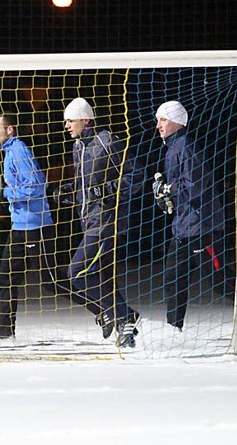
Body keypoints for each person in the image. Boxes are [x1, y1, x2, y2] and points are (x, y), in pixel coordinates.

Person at [60, 98, 141, 348]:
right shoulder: (78, 147)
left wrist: (107, 190)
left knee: (77, 273)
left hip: (108, 221)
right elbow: (86, 186)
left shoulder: (107, 142)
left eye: (70, 121)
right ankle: (123, 324)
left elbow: (135, 177)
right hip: (89, 220)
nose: (66, 126)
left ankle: (122, 314)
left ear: (86, 120)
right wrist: (68, 192)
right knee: (103, 277)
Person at [152, 101, 226, 332]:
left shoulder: (185, 146)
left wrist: (169, 190)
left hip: (202, 227)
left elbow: (195, 186)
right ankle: (174, 328)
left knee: (220, 282)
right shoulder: (172, 148)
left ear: (177, 121)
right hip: (183, 226)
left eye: (163, 119)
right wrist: (166, 195)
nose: (158, 126)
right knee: (173, 278)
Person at [0, 113, 60, 340]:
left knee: (53, 282)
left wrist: (6, 193)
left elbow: (37, 187)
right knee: (5, 277)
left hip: (35, 227)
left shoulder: (18, 150)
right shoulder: (10, 152)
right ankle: (4, 334)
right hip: (21, 226)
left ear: (9, 130)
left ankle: (110, 312)